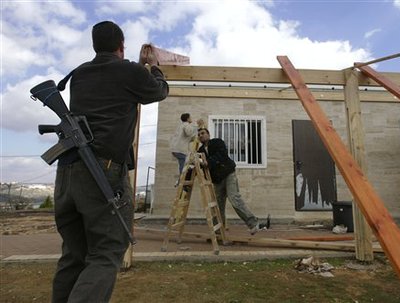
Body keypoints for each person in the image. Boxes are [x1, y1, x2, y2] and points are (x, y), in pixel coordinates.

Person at [51, 21, 168, 303]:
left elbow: (113, 84)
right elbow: (159, 91)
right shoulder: (127, 71)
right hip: (101, 173)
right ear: (121, 45)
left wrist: (137, 67)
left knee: (74, 255)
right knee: (106, 253)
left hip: (67, 170)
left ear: (94, 45)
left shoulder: (79, 74)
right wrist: (154, 66)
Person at [197, 128, 260, 235]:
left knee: (234, 198)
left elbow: (221, 154)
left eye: (203, 133)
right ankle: (218, 230)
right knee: (218, 205)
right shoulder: (200, 151)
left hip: (228, 174)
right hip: (217, 180)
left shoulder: (217, 142)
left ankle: (253, 223)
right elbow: (196, 165)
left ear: (208, 134)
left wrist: (208, 162)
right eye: (199, 134)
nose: (201, 135)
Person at [170, 113, 203, 181]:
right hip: (180, 149)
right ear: (187, 119)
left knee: (182, 163)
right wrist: (197, 125)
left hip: (176, 149)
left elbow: (186, 137)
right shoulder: (186, 125)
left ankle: (181, 180)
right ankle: (182, 180)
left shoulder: (181, 126)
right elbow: (189, 132)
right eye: (190, 117)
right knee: (185, 164)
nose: (191, 118)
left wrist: (194, 138)